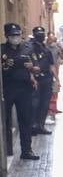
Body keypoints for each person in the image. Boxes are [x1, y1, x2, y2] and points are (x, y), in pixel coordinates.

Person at [1, 23, 37, 160]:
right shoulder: (2, 50)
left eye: (17, 35)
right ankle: (7, 150)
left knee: (25, 120)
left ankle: (27, 151)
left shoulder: (28, 48)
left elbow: (36, 67)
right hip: (7, 89)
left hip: (24, 89)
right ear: (6, 36)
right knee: (6, 121)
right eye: (12, 35)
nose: (15, 37)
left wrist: (32, 68)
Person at [29, 27, 54, 136]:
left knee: (45, 104)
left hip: (47, 79)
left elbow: (51, 65)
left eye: (42, 33)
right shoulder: (29, 48)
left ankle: (41, 126)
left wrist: (55, 80)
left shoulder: (46, 49)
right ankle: (33, 126)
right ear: (34, 35)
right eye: (39, 34)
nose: (41, 35)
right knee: (35, 103)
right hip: (36, 79)